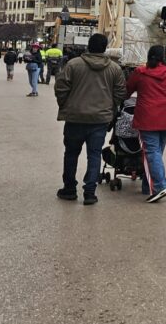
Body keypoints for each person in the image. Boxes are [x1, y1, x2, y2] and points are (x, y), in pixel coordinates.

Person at [53, 33, 126, 205]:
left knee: (71, 154)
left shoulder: (73, 65)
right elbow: (121, 93)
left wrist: (65, 105)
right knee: (94, 155)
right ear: (104, 48)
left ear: (88, 45)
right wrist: (109, 108)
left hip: (75, 118)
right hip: (99, 120)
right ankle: (90, 192)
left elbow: (61, 87)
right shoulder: (115, 69)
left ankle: (69, 189)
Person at [126, 45, 166, 203]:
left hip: (147, 118)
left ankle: (161, 186)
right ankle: (147, 186)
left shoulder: (140, 73)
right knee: (156, 153)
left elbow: (127, 90)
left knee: (151, 152)